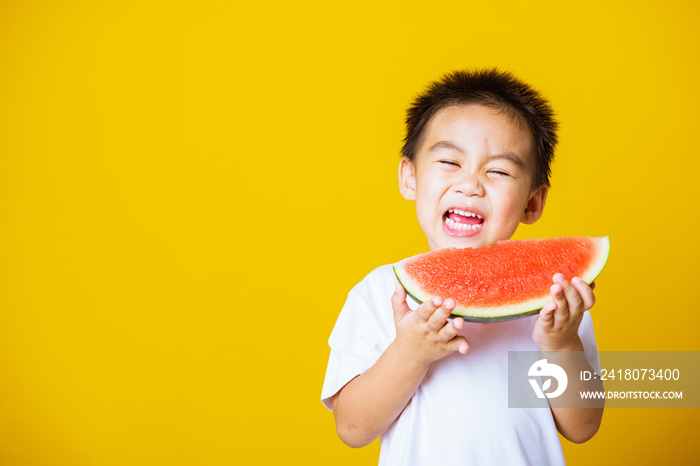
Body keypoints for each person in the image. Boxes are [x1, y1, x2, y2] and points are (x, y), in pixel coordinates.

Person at [321, 69, 604, 465]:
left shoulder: (557, 302)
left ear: (532, 203)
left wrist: (560, 344)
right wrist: (408, 354)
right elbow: (352, 428)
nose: (470, 184)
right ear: (410, 178)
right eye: (450, 162)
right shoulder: (381, 292)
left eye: (499, 171)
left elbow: (582, 426)